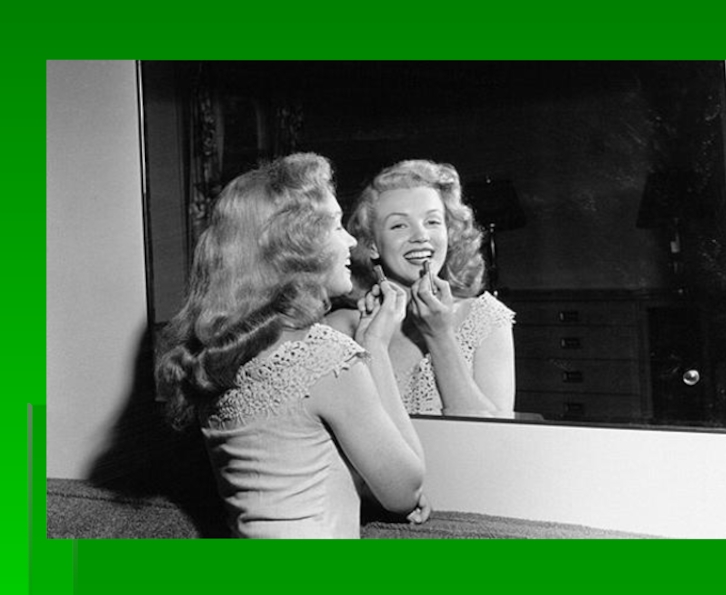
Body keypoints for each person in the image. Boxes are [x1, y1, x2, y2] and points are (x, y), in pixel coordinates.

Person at [155, 153, 425, 539]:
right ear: (296, 246)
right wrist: (375, 347)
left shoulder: (215, 356)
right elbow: (404, 492)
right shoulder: (326, 359)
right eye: (336, 226)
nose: (351, 241)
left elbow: (297, 468)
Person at [327, 159, 516, 418]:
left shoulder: (486, 318)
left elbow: (493, 436)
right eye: (399, 225)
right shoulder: (340, 329)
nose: (421, 236)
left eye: (432, 222)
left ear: (449, 232)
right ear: (372, 245)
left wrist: (440, 336)